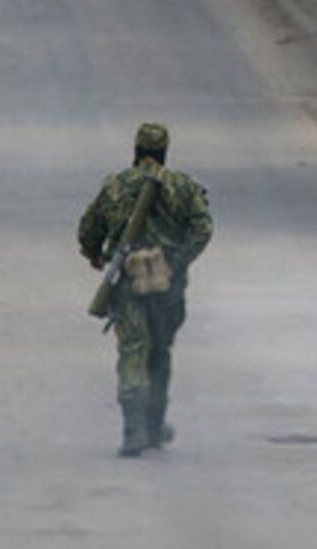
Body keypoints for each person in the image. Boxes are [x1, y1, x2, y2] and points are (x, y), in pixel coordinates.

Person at [77, 122, 213, 457]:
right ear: (164, 152)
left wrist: (96, 255)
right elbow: (202, 228)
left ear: (136, 151)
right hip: (167, 284)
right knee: (159, 352)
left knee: (133, 350)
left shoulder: (116, 185)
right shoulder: (181, 186)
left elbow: (89, 228)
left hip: (126, 280)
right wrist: (177, 261)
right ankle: (154, 425)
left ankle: (133, 428)